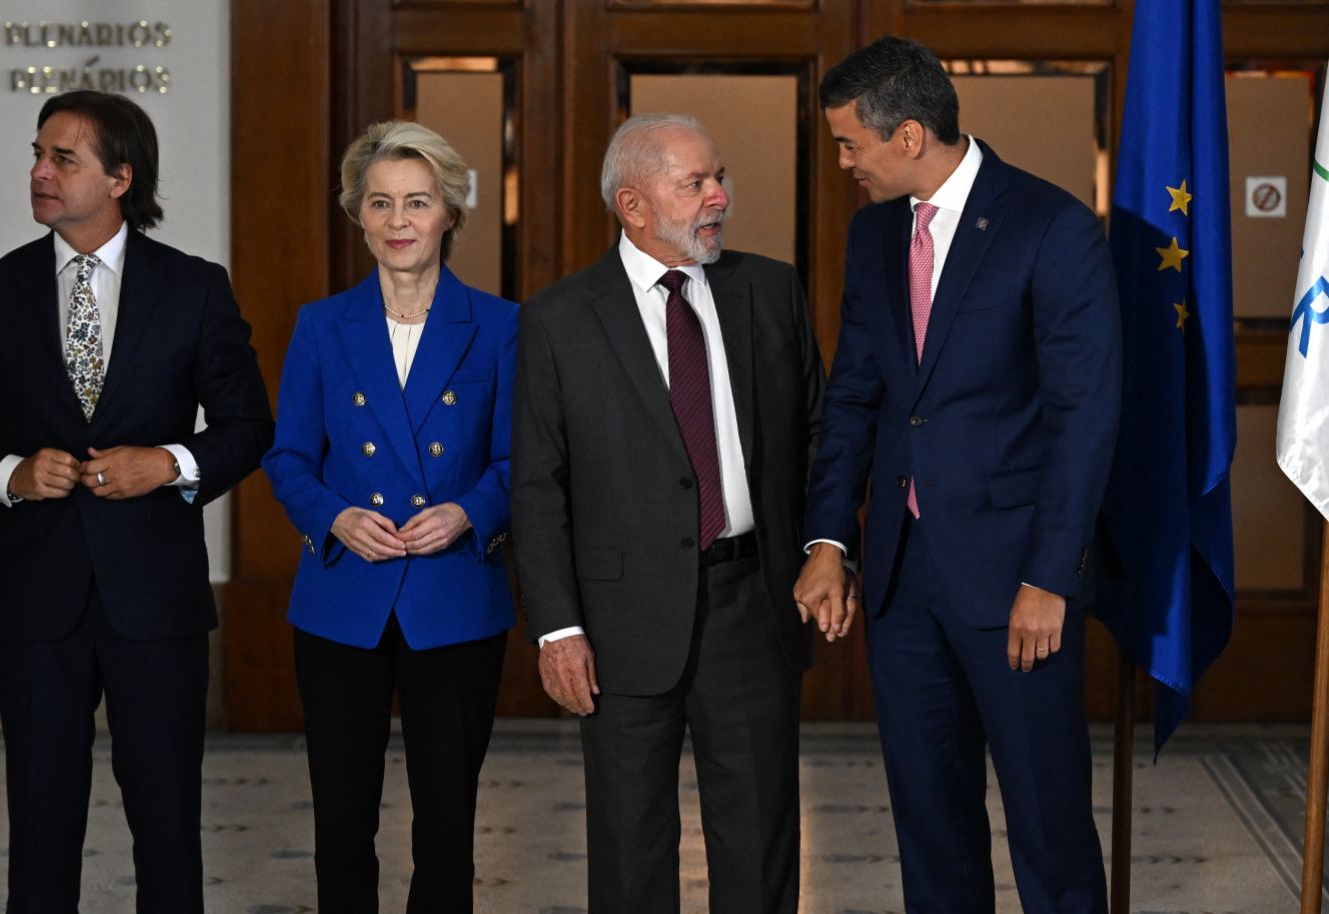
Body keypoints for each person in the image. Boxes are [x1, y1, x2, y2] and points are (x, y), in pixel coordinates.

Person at [793, 35, 1120, 914]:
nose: (842, 162)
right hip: (903, 583)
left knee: (1049, 829)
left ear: (906, 136)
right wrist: (829, 538)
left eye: (849, 144)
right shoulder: (871, 234)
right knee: (930, 827)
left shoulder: (1050, 227)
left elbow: (1083, 418)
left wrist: (1050, 576)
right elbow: (855, 396)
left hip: (1019, 582)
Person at [0, 90, 273, 914]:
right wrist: (7, 475)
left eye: (63, 159)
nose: (40, 173)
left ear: (121, 177)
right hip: (33, 596)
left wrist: (168, 462)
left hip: (155, 598)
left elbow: (248, 424)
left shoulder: (194, 288)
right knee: (40, 819)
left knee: (167, 820)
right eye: (37, 156)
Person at [512, 114, 823, 914]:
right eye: (695, 184)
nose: (720, 196)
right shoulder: (558, 319)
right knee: (629, 854)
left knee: (759, 851)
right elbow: (538, 486)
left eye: (718, 177)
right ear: (633, 204)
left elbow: (819, 437)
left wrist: (830, 549)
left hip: (753, 606)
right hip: (618, 628)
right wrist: (557, 627)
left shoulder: (772, 289)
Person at [262, 120, 516, 914]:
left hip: (454, 594)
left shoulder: (502, 326)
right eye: (381, 203)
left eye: (418, 202)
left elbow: (519, 463)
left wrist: (469, 513)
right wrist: (336, 516)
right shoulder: (321, 325)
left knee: (448, 820)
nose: (399, 221)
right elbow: (288, 459)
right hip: (345, 594)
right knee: (341, 818)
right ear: (358, 215)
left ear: (450, 213)